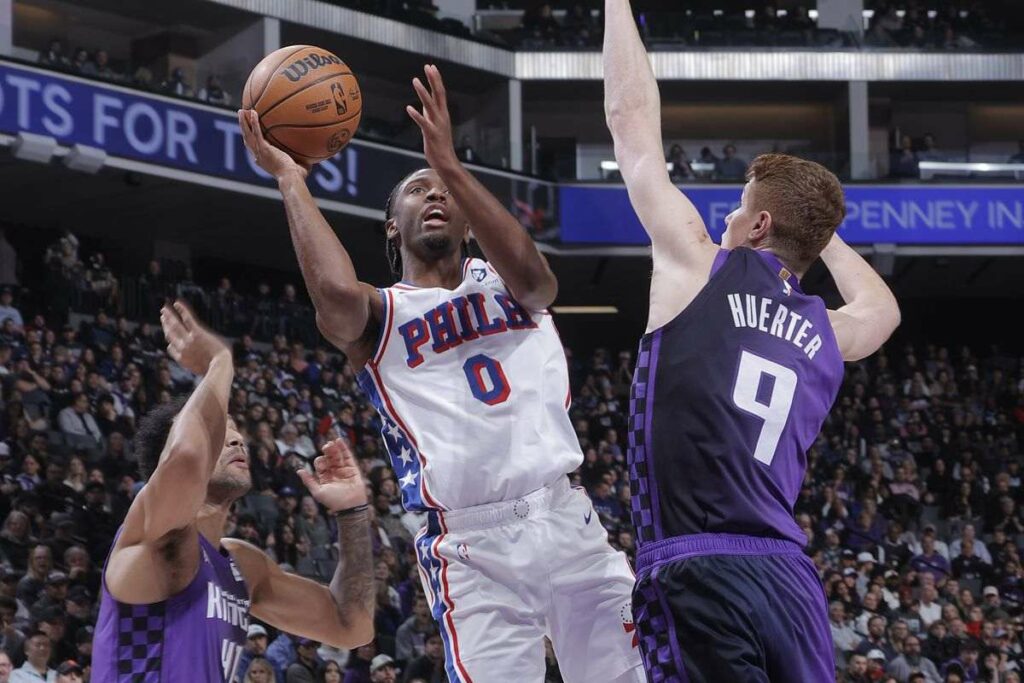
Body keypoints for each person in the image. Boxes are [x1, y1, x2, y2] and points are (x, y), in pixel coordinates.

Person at [239, 63, 643, 683]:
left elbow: (540, 283)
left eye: (445, 192)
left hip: (565, 519)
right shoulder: (382, 313)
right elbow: (335, 300)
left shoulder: (506, 281)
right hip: (470, 546)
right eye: (418, 190)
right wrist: (292, 181)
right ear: (391, 226)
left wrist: (451, 164)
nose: (435, 196)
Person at [603, 0, 902, 679]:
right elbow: (883, 309)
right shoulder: (827, 330)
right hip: (789, 581)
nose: (725, 214)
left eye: (738, 206)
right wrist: (818, 233)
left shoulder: (698, 267)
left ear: (760, 224)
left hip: (698, 565)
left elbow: (630, 127)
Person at [91, 302, 375, 682]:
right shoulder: (150, 534)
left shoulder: (243, 566)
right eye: (222, 431)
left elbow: (351, 625)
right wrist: (220, 361)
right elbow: (188, 457)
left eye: (237, 430)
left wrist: (353, 512)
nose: (238, 439)